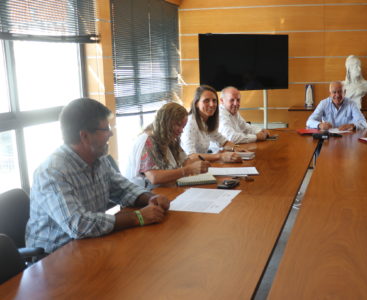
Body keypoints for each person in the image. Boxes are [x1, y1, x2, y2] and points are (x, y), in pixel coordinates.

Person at [26, 98, 170, 254]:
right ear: (84, 136)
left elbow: (123, 189)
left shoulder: (99, 160)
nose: (111, 133)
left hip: (89, 244)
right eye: (105, 129)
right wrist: (138, 217)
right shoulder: (52, 172)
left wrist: (150, 198)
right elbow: (78, 225)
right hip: (54, 257)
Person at [124, 102, 210, 189]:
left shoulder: (169, 137)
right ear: (166, 122)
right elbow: (154, 177)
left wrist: (199, 165)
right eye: (178, 125)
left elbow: (185, 161)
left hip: (164, 190)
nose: (181, 130)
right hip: (146, 195)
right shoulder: (147, 141)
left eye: (183, 127)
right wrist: (188, 170)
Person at [182, 85, 242, 162]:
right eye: (206, 101)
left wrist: (237, 148)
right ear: (196, 103)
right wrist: (220, 156)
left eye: (214, 100)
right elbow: (190, 156)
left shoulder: (206, 121)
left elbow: (222, 141)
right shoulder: (190, 122)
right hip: (189, 168)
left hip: (202, 166)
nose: (212, 104)